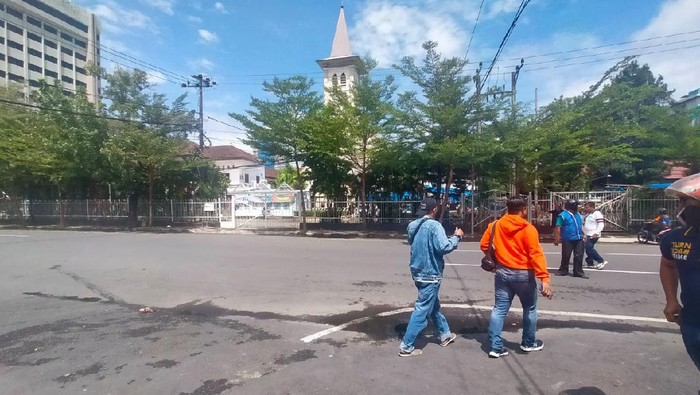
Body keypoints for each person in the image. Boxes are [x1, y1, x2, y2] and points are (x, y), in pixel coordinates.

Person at [481, 197, 553, 358]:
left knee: (499, 309)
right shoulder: (528, 229)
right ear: (523, 210)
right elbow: (536, 254)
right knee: (530, 308)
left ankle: (495, 347)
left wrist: (497, 258)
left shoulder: (495, 225)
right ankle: (528, 343)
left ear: (507, 208)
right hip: (524, 275)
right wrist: (544, 278)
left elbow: (484, 245)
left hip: (503, 272)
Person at [399, 197, 464, 357]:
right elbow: (444, 247)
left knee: (432, 304)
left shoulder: (413, 225)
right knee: (422, 308)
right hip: (430, 273)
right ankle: (406, 346)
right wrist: (457, 237)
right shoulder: (435, 226)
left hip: (417, 270)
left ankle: (445, 334)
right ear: (434, 209)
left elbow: (411, 242)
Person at [659, 173, 700, 370]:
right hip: (692, 319)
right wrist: (671, 299)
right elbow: (668, 265)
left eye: (686, 201)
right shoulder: (675, 238)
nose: (680, 207)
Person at [554, 199, 587, 278]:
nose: (577, 207)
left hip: (579, 238)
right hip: (567, 239)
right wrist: (557, 238)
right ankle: (563, 270)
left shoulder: (578, 214)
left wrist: (585, 233)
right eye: (576, 205)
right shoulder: (562, 215)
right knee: (566, 255)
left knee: (579, 255)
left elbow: (580, 225)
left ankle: (578, 272)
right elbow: (558, 227)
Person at [582, 202, 608, 270]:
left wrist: (596, 233)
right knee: (588, 249)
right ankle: (590, 262)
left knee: (589, 248)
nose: (585, 209)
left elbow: (601, 224)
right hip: (587, 234)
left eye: (587, 207)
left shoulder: (597, 214)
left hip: (593, 234)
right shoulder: (588, 214)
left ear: (592, 207)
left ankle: (601, 261)